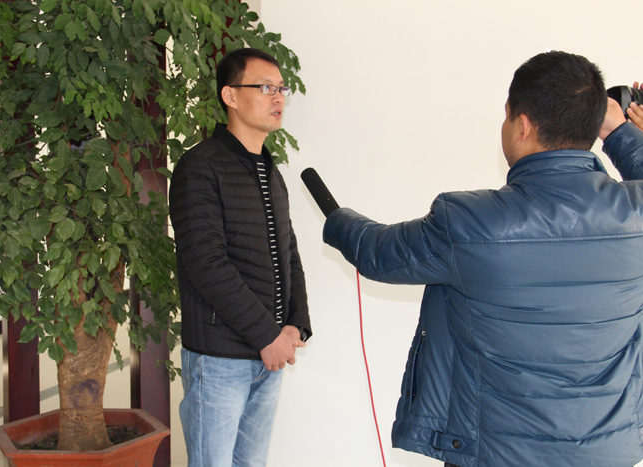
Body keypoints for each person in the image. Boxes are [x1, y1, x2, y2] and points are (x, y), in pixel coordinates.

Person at [321, 50, 643, 467]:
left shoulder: (467, 222)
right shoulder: (635, 214)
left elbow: (378, 252)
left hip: (495, 454)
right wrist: (619, 131)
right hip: (607, 455)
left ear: (522, 125)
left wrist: (336, 217)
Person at [169, 48, 312, 467]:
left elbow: (288, 252)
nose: (278, 97)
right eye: (266, 87)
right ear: (230, 96)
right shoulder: (199, 167)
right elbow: (205, 263)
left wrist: (295, 323)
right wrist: (267, 336)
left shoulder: (270, 171)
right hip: (219, 359)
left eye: (281, 88)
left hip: (267, 355)